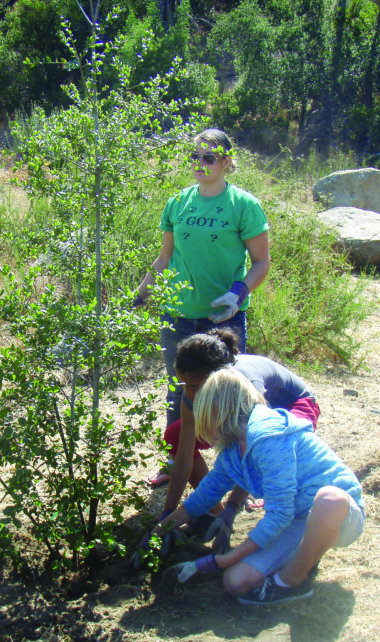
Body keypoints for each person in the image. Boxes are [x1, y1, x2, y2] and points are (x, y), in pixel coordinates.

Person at [151, 368, 364, 605]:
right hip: (298, 518)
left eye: (205, 415)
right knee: (236, 582)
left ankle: (291, 581)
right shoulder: (232, 449)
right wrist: (157, 532)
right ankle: (304, 557)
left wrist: (219, 561)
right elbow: (204, 496)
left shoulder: (267, 437)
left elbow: (279, 513)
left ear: (217, 410)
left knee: (329, 499)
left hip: (341, 516)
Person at [133, 128, 270, 482]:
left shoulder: (244, 205)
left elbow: (261, 262)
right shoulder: (178, 202)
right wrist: (139, 296)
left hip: (223, 318)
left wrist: (237, 294)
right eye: (195, 156)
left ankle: (245, 476)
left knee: (231, 393)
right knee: (178, 389)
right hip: (177, 315)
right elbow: (164, 259)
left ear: (226, 162)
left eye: (208, 157)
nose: (200, 163)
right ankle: (176, 463)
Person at [158, 327, 320, 550]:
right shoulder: (192, 394)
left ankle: (291, 532)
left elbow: (253, 447)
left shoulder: (244, 386)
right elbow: (183, 457)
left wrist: (233, 506)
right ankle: (214, 514)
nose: (188, 394)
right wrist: (167, 516)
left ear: (216, 379)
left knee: (263, 457)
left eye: (194, 387)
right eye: (184, 386)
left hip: (291, 408)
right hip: (243, 419)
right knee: (175, 435)